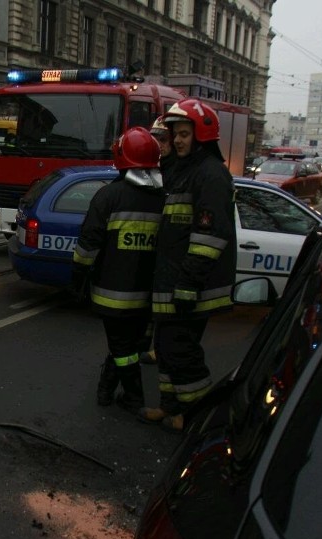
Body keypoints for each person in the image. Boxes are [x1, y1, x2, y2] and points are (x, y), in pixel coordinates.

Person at [138, 99, 237, 432]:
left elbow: (210, 235)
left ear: (202, 135)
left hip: (192, 288)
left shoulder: (210, 175)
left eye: (183, 134)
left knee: (182, 351)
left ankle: (200, 416)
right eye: (174, 134)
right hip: (172, 282)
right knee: (166, 349)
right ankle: (170, 408)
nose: (177, 141)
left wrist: (188, 284)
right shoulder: (182, 170)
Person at [71, 127, 164, 414]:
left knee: (123, 349)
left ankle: (132, 396)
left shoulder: (108, 197)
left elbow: (88, 246)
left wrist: (78, 280)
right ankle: (106, 389)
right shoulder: (165, 198)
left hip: (112, 295)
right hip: (148, 295)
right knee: (129, 344)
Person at [139, 117, 177, 365]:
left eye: (163, 140)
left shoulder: (177, 171)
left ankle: (158, 348)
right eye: (156, 139)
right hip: (155, 250)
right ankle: (146, 345)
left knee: (164, 308)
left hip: (170, 255)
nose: (159, 144)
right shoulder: (154, 168)